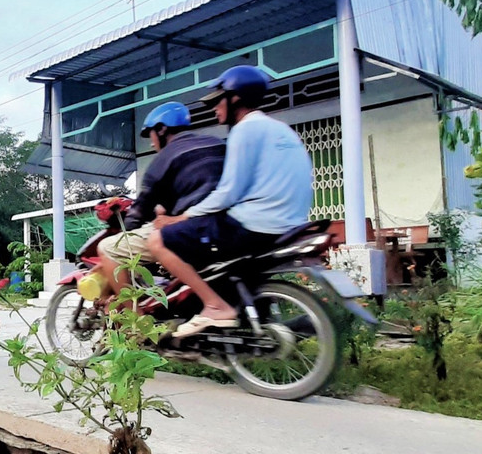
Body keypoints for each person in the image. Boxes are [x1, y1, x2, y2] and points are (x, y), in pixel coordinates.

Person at [145, 65, 313, 338]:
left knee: (159, 240)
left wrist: (181, 218)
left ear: (234, 98)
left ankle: (214, 306)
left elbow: (228, 193)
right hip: (290, 224)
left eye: (216, 100)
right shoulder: (281, 130)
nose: (214, 108)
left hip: (254, 224)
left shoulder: (244, 131)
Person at [83, 101, 225, 300]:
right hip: (228, 225)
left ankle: (135, 321)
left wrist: (128, 227)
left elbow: (142, 209)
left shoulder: (164, 159)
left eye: (151, 134)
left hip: (193, 229)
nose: (151, 142)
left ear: (161, 129)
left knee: (108, 248)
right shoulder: (216, 143)